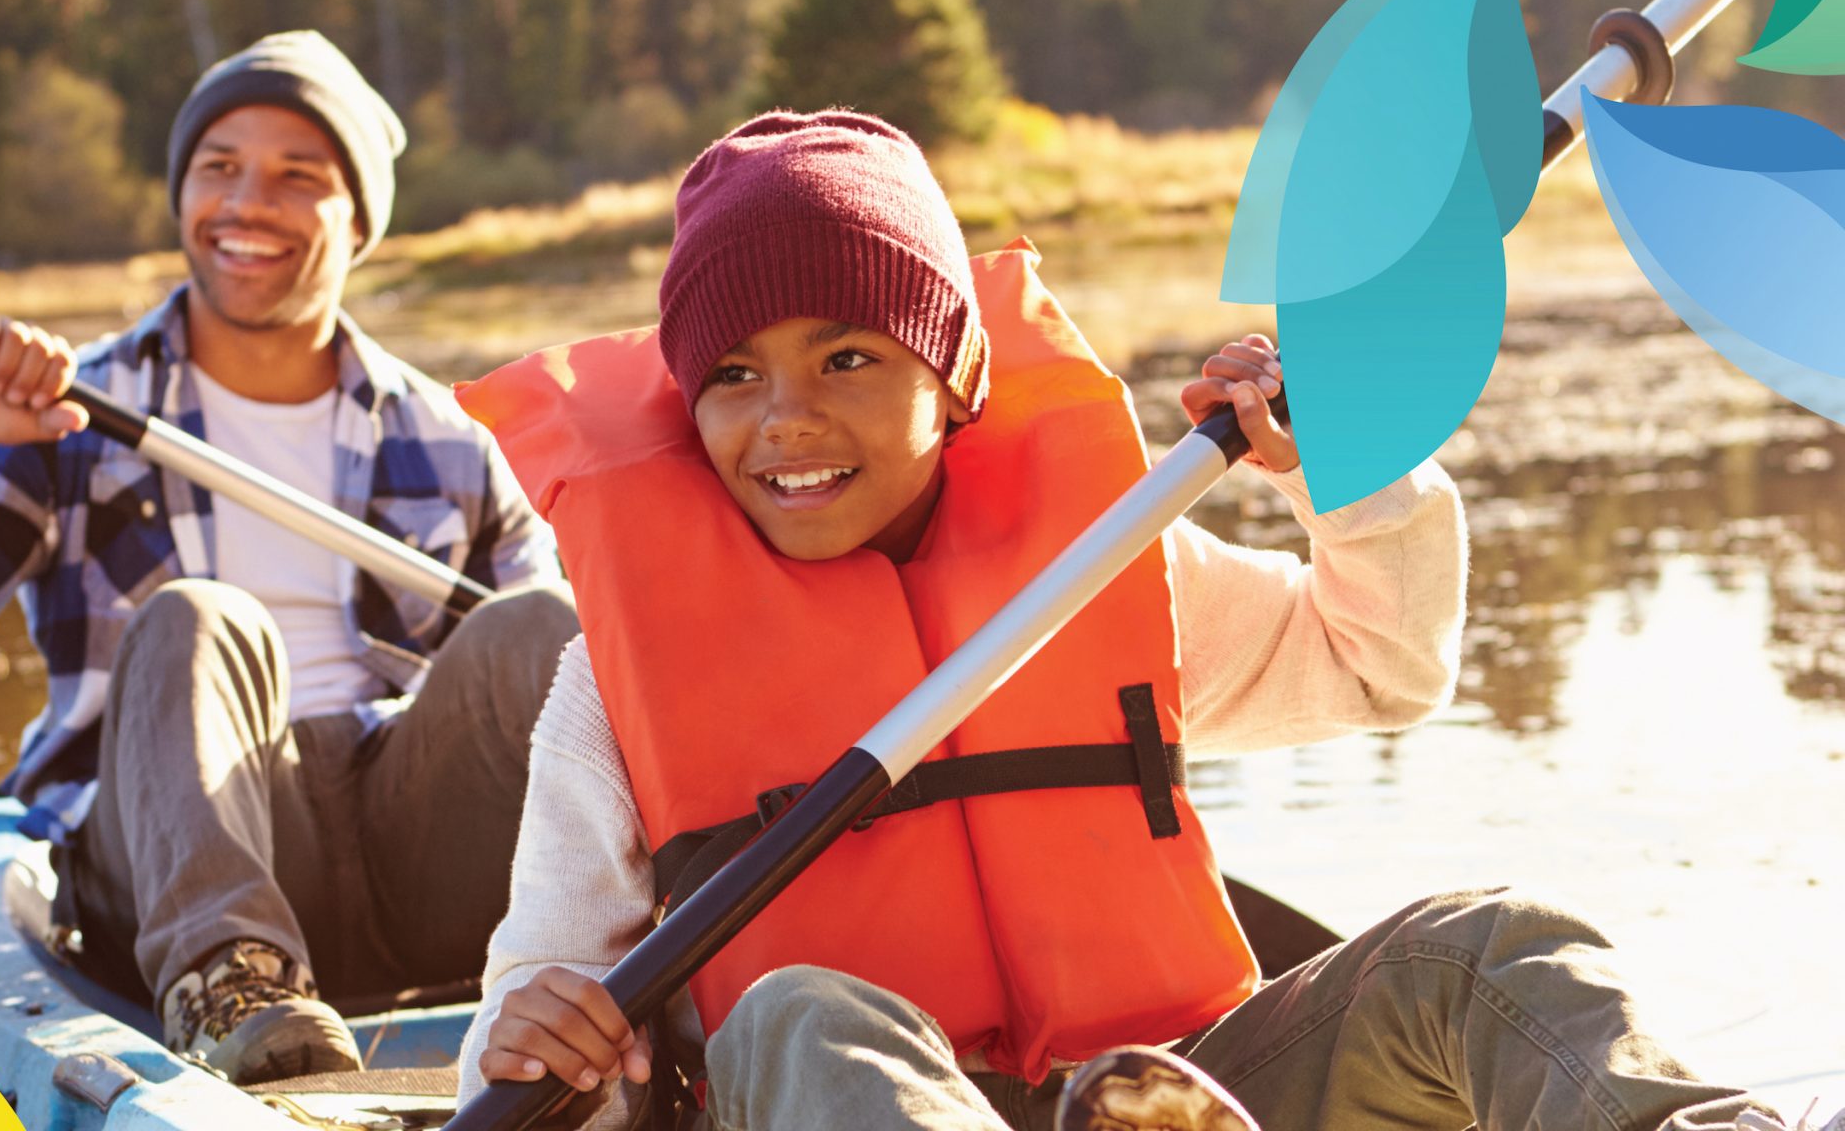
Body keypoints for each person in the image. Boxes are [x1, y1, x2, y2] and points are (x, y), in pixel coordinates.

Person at [451, 110, 1812, 1130]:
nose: (785, 418)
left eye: (850, 356)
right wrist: (540, 1038)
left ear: (957, 377)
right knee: (797, 1012)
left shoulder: (1096, 574)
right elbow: (520, 1033)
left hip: (1162, 1094)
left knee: (1493, 945)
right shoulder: (613, 688)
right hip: (834, 1103)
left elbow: (1379, 665)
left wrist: (1349, 467)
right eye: (733, 377)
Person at [0, 29, 578, 1087]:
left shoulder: (450, 435)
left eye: (296, 177)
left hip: (400, 847)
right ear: (180, 192)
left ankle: (621, 970)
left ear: (357, 221)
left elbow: (565, 699)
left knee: (542, 625)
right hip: (162, 854)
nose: (246, 203)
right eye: (218, 167)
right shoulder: (68, 410)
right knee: (200, 615)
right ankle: (231, 982)